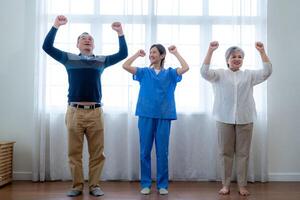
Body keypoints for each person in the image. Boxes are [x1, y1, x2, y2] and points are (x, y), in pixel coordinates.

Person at [42, 15, 128, 197]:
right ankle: (77, 186)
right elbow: (47, 47)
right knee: (74, 153)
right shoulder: (68, 58)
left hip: (96, 112)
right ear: (77, 45)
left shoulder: (101, 61)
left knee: (97, 153)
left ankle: (95, 185)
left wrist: (120, 33)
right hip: (74, 112)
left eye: (90, 39)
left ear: (93, 45)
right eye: (83, 38)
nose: (87, 40)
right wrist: (56, 26)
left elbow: (123, 54)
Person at [200, 41, 272, 196]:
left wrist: (262, 52)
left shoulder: (249, 75)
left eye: (240, 57)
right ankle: (225, 185)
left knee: (243, 154)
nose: (237, 59)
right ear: (227, 60)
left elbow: (267, 72)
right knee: (225, 153)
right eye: (233, 56)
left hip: (245, 119)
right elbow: (204, 72)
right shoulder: (219, 74)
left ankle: (242, 185)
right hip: (223, 118)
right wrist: (210, 50)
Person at [123, 44, 189, 195]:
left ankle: (162, 185)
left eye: (154, 52)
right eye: (150, 52)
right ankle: (145, 183)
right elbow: (125, 65)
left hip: (164, 116)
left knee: (162, 152)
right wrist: (136, 55)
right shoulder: (144, 72)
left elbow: (186, 67)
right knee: (145, 151)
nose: (151, 54)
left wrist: (176, 52)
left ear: (162, 55)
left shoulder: (171, 73)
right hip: (146, 115)